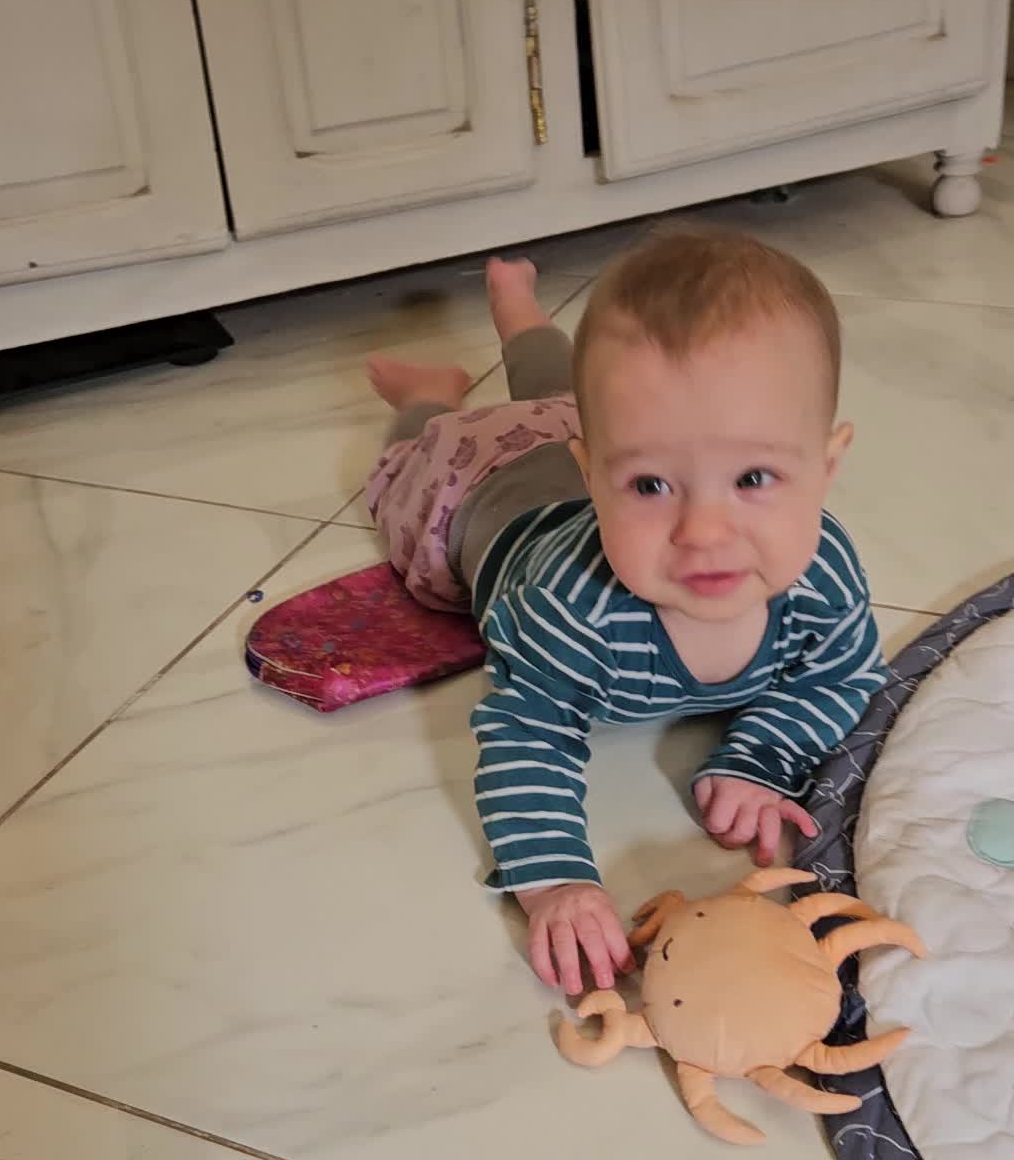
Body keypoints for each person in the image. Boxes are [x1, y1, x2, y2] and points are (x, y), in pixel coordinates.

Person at [365, 231, 882, 998]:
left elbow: (839, 678)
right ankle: (428, 396)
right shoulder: (568, 607)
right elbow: (529, 732)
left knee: (559, 392)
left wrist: (759, 757)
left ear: (826, 467)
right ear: (595, 478)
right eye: (650, 487)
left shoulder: (823, 572)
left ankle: (517, 310)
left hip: (582, 426)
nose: (704, 531)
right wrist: (555, 881)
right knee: (412, 465)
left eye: (752, 478)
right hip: (478, 481)